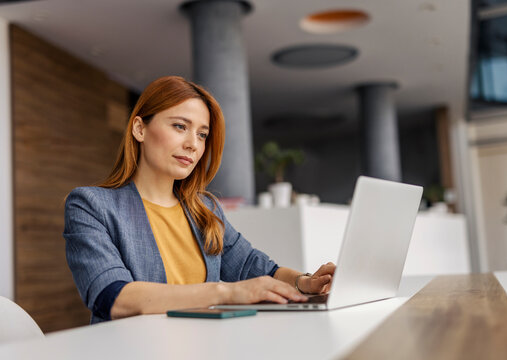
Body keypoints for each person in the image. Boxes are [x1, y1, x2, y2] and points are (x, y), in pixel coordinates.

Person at [63, 76, 335, 324]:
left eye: (202, 134)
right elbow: (113, 298)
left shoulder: (204, 208)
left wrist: (304, 282)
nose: (193, 144)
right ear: (139, 129)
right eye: (180, 126)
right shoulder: (90, 206)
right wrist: (224, 292)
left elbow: (253, 266)